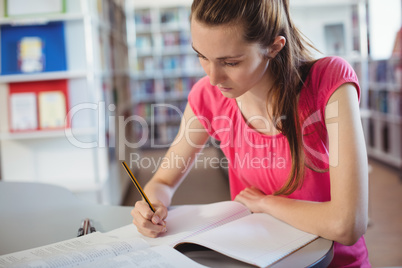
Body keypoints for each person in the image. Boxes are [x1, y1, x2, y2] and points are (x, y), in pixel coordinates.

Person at [131, 0, 370, 266]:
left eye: (230, 62)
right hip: (255, 260)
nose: (213, 78)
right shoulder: (207, 96)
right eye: (201, 56)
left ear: (274, 47)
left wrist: (268, 204)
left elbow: (347, 224)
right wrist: (151, 207)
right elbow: (163, 181)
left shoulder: (329, 81)